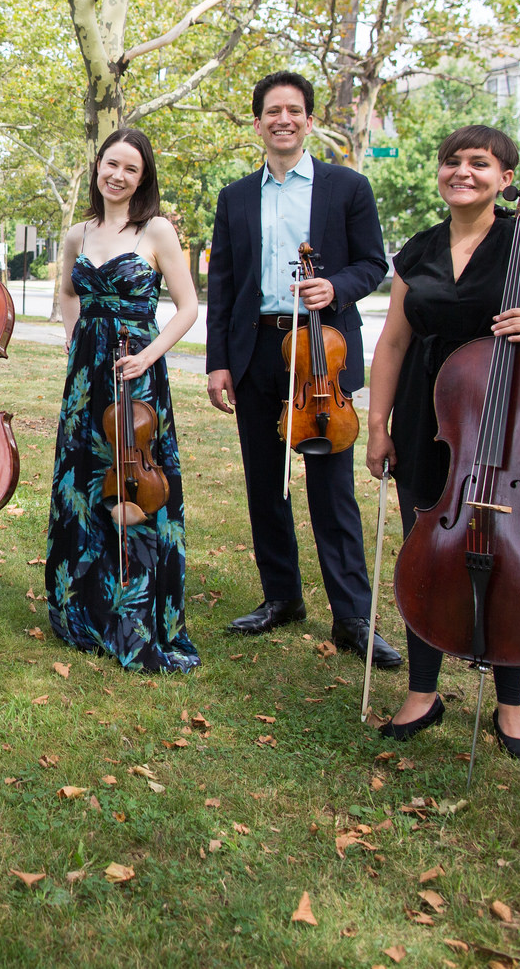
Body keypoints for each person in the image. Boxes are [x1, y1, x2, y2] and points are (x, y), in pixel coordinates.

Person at [364, 125, 520, 759]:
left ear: (505, 178)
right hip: (429, 414)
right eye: (451, 162)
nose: (461, 172)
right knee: (429, 548)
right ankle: (422, 693)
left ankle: (510, 703)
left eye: (479, 163)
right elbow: (393, 343)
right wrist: (378, 425)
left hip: (510, 426)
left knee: (509, 553)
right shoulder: (419, 249)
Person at [205, 71, 401, 668]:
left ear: (310, 121)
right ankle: (282, 597)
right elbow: (223, 283)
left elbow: (373, 264)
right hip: (257, 350)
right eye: (272, 111)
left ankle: (353, 616)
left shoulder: (348, 187)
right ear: (258, 123)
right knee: (265, 484)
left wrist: (335, 286)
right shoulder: (236, 196)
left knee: (331, 489)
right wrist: (219, 363)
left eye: (294, 110)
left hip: (322, 351)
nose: (283, 119)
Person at [48, 128, 202, 670]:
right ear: (98, 167)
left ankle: (135, 613)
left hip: (136, 372)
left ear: (143, 178)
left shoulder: (155, 230)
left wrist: (149, 355)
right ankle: (83, 609)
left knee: (137, 479)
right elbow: (69, 292)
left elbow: (188, 306)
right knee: (84, 480)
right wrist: (75, 340)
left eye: (131, 169)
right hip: (87, 376)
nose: (118, 175)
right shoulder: (77, 234)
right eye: (111, 164)